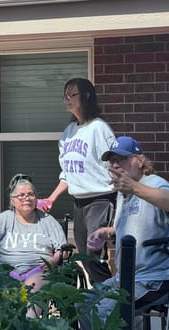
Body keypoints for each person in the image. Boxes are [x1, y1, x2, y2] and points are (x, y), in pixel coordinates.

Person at [87, 136, 169, 319]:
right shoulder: (122, 194)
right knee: (82, 302)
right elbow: (133, 228)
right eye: (112, 161)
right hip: (124, 280)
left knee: (100, 311)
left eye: (121, 159)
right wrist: (104, 233)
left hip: (154, 281)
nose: (115, 165)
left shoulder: (154, 183)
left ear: (140, 161)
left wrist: (134, 187)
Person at [41, 77, 117, 284]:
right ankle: (101, 297)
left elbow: (114, 164)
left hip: (100, 198)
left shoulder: (99, 128)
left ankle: (107, 300)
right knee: (84, 254)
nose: (67, 99)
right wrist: (52, 198)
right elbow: (68, 172)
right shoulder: (69, 132)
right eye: (65, 95)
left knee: (94, 254)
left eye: (72, 94)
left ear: (87, 96)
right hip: (79, 201)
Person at [0, 173, 67, 317]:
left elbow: (62, 249)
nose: (27, 198)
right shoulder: (2, 219)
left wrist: (52, 261)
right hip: (6, 272)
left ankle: (28, 329)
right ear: (12, 200)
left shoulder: (47, 220)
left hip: (38, 271)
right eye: (21, 195)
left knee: (32, 291)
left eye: (31, 194)